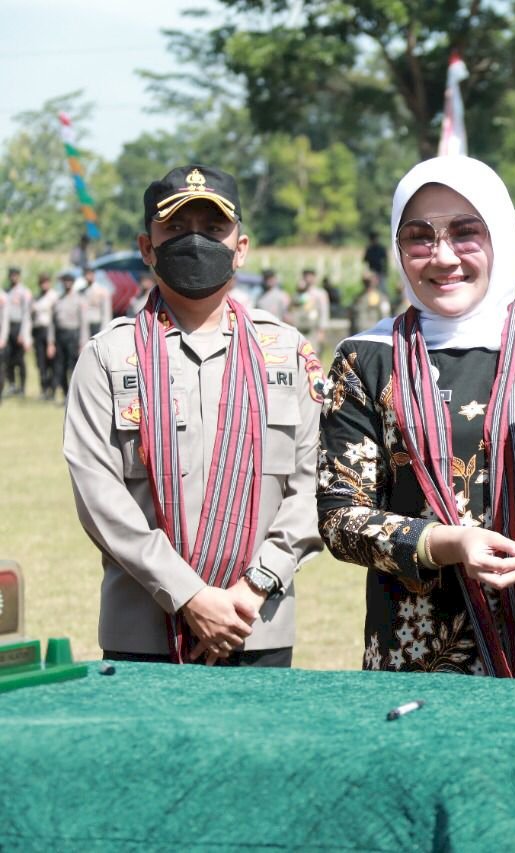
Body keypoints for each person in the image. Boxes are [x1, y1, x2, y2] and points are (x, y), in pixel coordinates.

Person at [317, 155, 515, 680]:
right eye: (419, 237)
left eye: (465, 231)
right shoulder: (366, 358)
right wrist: (448, 544)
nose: (443, 256)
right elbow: (340, 517)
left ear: (501, 235)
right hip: (419, 653)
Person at [62, 163, 323, 667]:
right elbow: (99, 497)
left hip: (256, 624)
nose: (195, 242)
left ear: (240, 247)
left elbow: (312, 486)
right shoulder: (108, 358)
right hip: (144, 632)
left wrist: (253, 588)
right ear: (146, 247)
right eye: (176, 229)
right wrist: (189, 596)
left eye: (213, 229)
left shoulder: (287, 352)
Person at [49, 271, 89, 402]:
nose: (67, 284)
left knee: (73, 367)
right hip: (60, 336)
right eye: (64, 282)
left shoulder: (79, 299)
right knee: (60, 367)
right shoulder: (57, 300)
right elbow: (52, 323)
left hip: (73, 335)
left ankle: (74, 396)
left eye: (69, 281)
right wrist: (51, 342)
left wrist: (83, 342)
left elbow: (83, 323)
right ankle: (65, 394)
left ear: (73, 283)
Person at [6, 266, 33, 396]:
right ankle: (12, 384)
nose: (13, 277)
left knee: (20, 359)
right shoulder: (7, 291)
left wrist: (23, 334)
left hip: (19, 326)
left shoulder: (24, 292)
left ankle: (22, 387)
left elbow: (26, 314)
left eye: (15, 275)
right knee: (8, 358)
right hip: (8, 327)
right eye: (11, 275)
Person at [292, 268, 331, 355]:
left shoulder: (320, 293)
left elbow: (324, 312)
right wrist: (298, 291)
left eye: (310, 276)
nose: (308, 279)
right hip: (300, 328)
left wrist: (322, 330)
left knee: (313, 353)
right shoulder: (300, 293)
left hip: (314, 329)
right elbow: (293, 307)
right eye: (306, 276)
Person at [31, 273, 57, 399]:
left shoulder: (54, 297)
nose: (44, 285)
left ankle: (52, 389)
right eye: (42, 282)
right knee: (40, 362)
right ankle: (43, 388)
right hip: (38, 331)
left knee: (51, 361)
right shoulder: (36, 297)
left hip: (49, 330)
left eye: (46, 282)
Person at [348, 271, 391, 335]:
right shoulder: (358, 297)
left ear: (376, 281)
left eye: (369, 280)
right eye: (366, 281)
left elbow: (385, 317)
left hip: (373, 335)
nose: (368, 283)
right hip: (357, 334)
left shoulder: (381, 298)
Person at [81, 267, 112, 337]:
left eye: (89, 274)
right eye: (86, 274)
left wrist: (105, 329)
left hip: (97, 324)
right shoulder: (82, 291)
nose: (88, 276)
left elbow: (106, 312)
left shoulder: (101, 290)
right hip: (86, 325)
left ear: (93, 275)